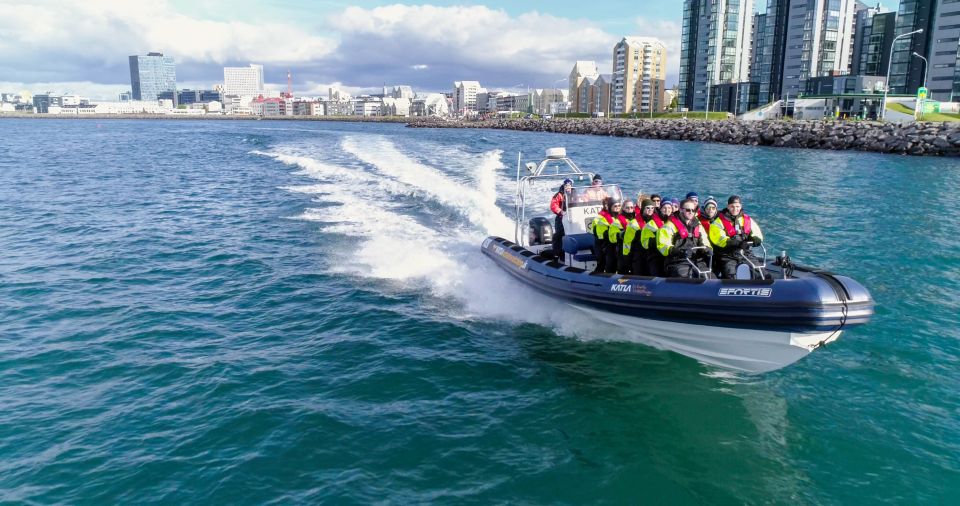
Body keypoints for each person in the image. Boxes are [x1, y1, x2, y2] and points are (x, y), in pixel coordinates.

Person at [708, 195, 764, 279]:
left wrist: (756, 239)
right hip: (727, 255)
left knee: (761, 274)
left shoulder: (747, 219)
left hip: (746, 253)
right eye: (732, 206)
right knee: (731, 277)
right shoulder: (717, 222)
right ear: (728, 206)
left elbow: (756, 232)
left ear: (741, 206)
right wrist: (737, 243)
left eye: (737, 206)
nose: (735, 209)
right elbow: (719, 239)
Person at [657, 198, 713, 278]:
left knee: (709, 276)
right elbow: (663, 246)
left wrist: (707, 249)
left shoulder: (698, 225)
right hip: (677, 262)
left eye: (693, 210)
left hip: (696, 260)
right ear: (681, 210)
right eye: (688, 210)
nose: (691, 212)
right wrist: (680, 252)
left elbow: (705, 241)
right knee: (685, 276)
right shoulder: (669, 226)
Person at [633, 198, 662, 276]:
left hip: (652, 252)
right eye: (647, 208)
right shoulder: (634, 222)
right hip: (639, 252)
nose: (650, 210)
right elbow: (627, 241)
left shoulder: (658, 220)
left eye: (652, 208)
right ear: (643, 208)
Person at [589, 197, 616, 273]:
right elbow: (596, 233)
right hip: (601, 244)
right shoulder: (599, 218)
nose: (607, 206)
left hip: (611, 244)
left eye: (609, 204)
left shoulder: (616, 216)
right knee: (602, 262)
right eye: (606, 204)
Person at [549, 178, 573, 258]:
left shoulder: (575, 194)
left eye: (569, 185)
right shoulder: (559, 195)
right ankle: (556, 254)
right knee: (559, 235)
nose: (567, 187)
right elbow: (553, 206)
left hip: (572, 217)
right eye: (566, 185)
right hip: (561, 218)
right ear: (564, 185)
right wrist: (561, 211)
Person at [616, 200, 637, 273]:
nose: (630, 210)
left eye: (631, 207)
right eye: (627, 208)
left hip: (634, 248)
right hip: (623, 248)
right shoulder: (618, 221)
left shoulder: (636, 219)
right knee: (623, 268)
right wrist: (624, 233)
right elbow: (614, 236)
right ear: (623, 209)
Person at [604, 200, 625, 273]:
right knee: (611, 263)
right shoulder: (604, 219)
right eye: (615, 206)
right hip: (609, 244)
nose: (618, 208)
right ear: (610, 207)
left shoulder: (623, 217)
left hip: (619, 244)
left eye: (619, 206)